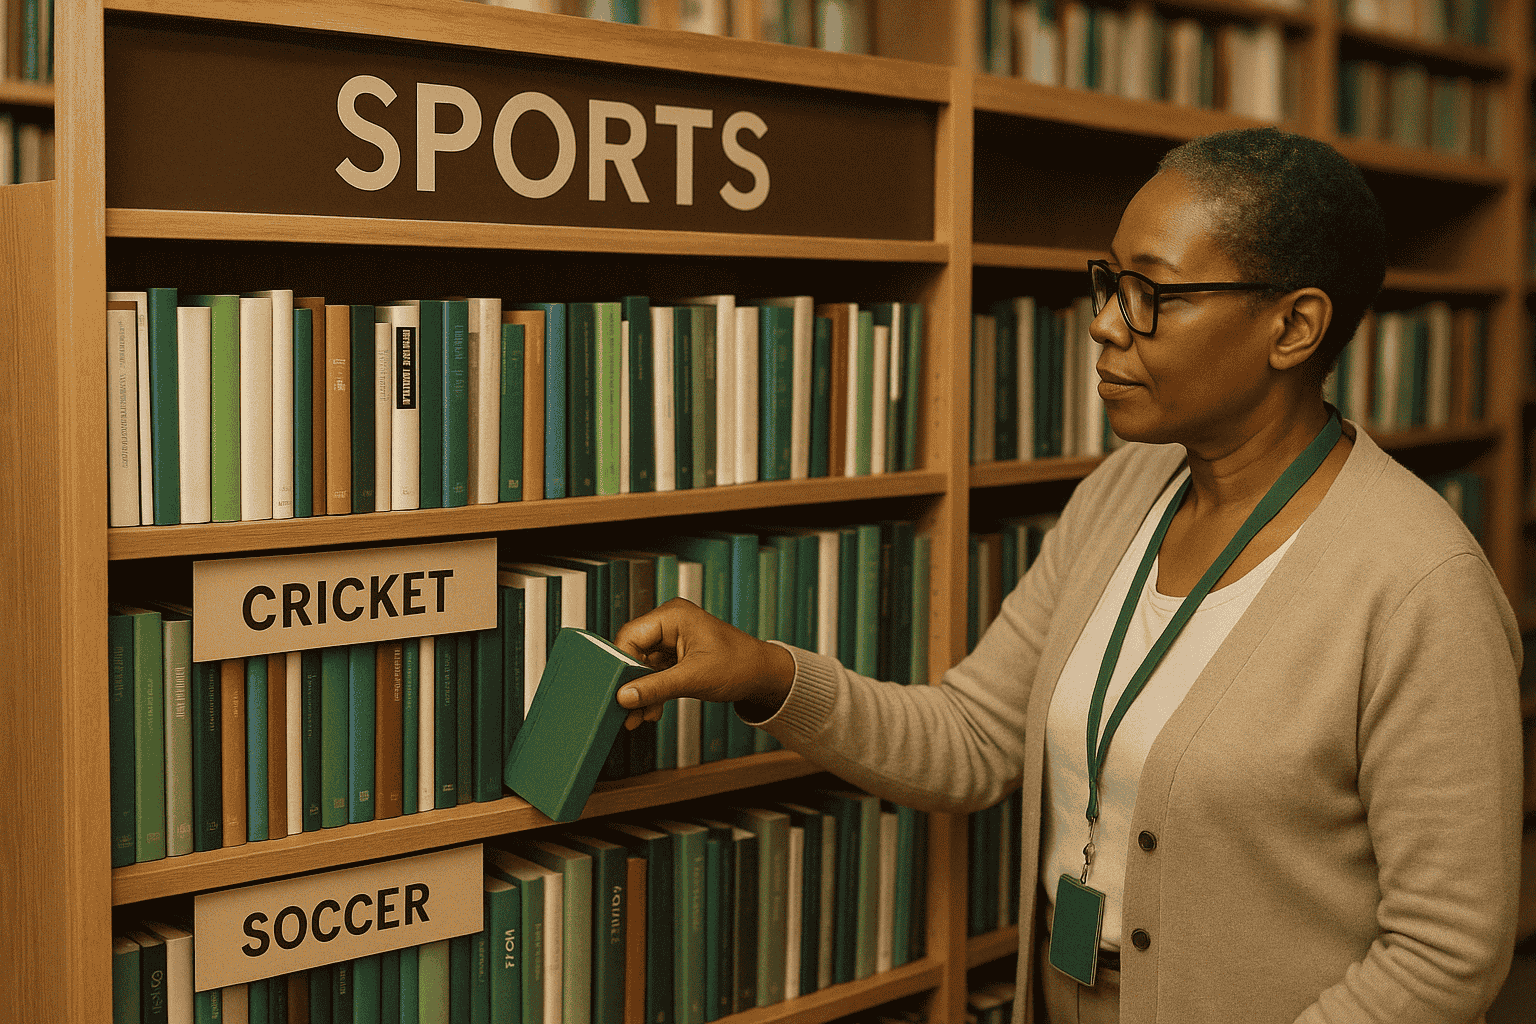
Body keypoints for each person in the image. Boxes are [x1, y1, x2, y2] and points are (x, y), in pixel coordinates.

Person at [613, 127, 1526, 1024]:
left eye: (1150, 293)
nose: (1102, 322)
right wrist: (765, 673)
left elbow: (1444, 954)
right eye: (1109, 282)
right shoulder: (1125, 489)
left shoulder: (1419, 583)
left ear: (1293, 326)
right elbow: (973, 739)